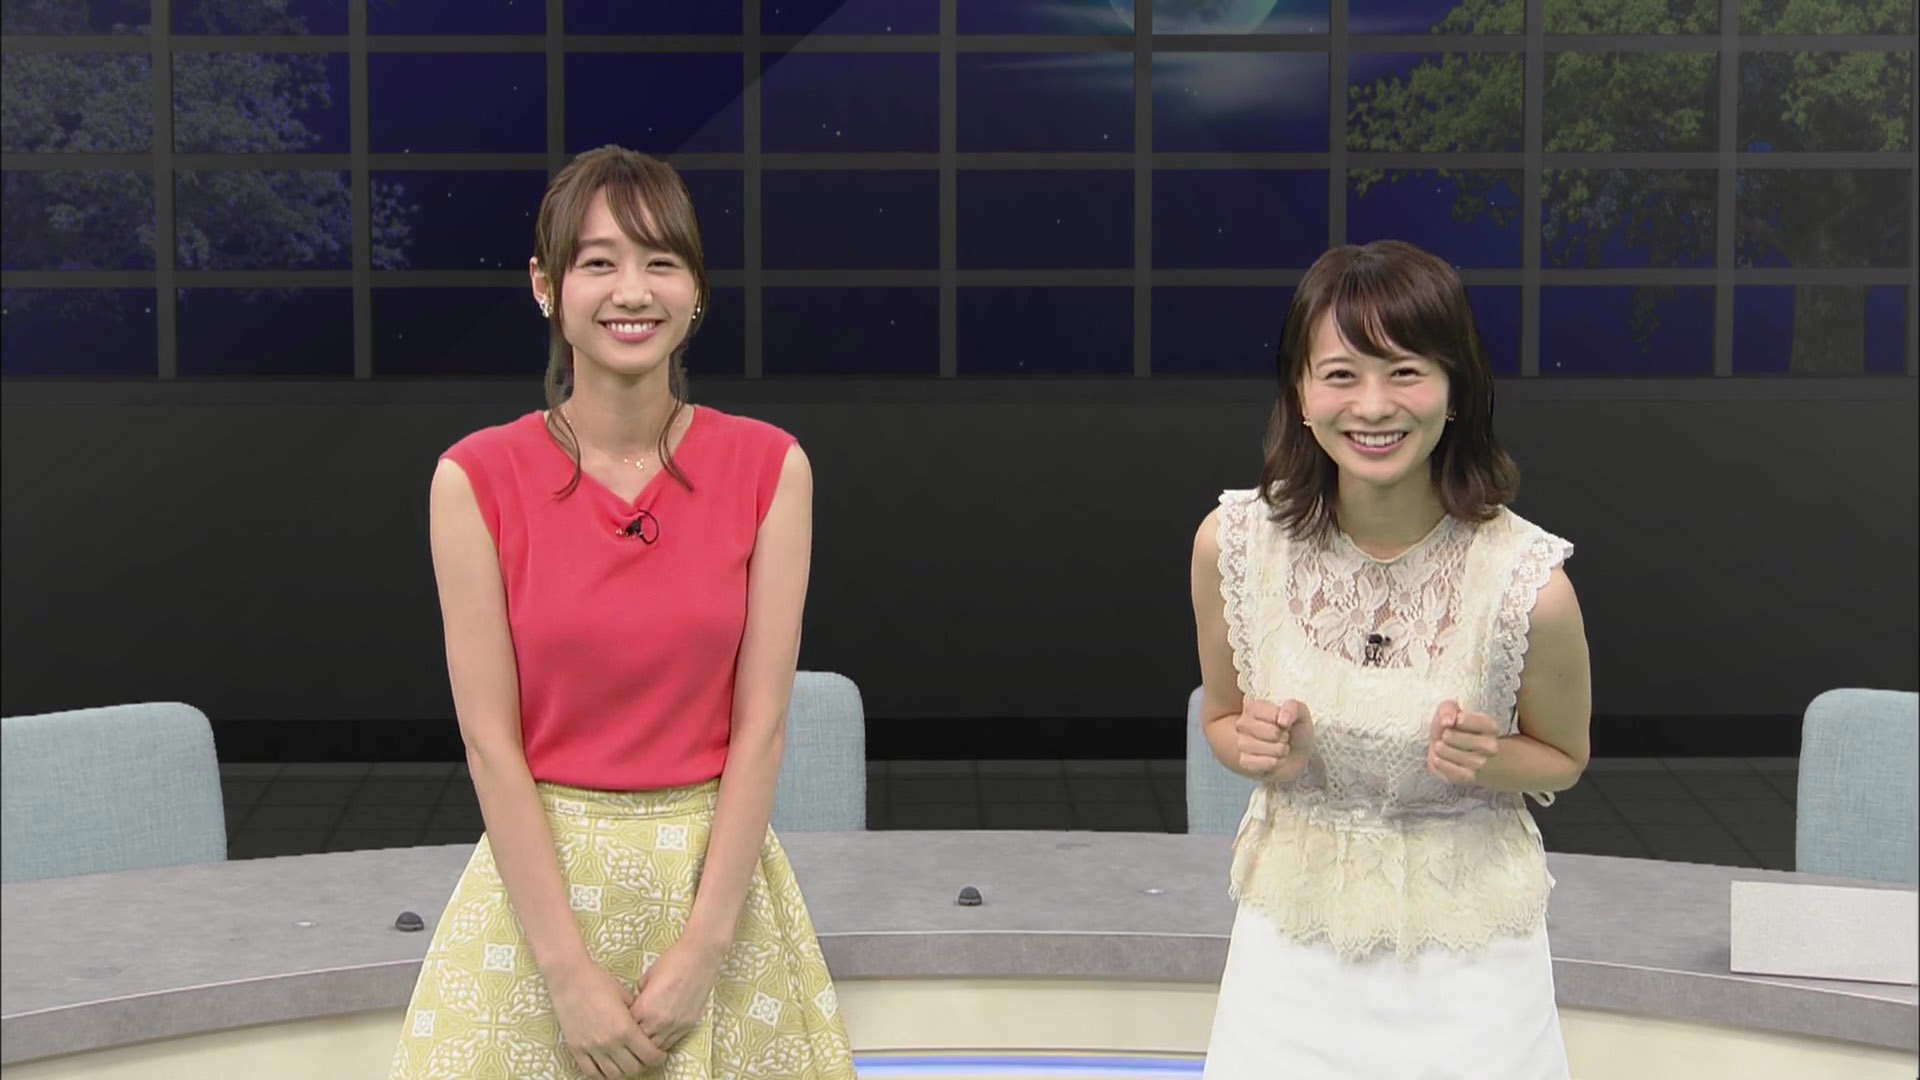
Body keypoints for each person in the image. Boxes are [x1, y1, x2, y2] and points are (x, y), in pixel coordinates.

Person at [388, 146, 856, 1080]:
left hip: (714, 892)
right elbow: (490, 742)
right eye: (599, 262)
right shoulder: (474, 479)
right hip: (542, 895)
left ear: (697, 290)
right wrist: (566, 974)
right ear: (545, 285)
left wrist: (704, 952)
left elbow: (762, 728)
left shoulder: (770, 468)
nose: (632, 292)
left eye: (661, 262)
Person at [1190, 240, 1593, 1078]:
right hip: (1290, 955)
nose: (1373, 407)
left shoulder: (1529, 584)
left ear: (1456, 392)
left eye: (1405, 372)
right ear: (1300, 395)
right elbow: (1223, 719)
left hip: (1469, 961)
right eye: (1341, 374)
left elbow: (1564, 756)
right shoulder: (1233, 545)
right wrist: (1258, 748)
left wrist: (1486, 760)